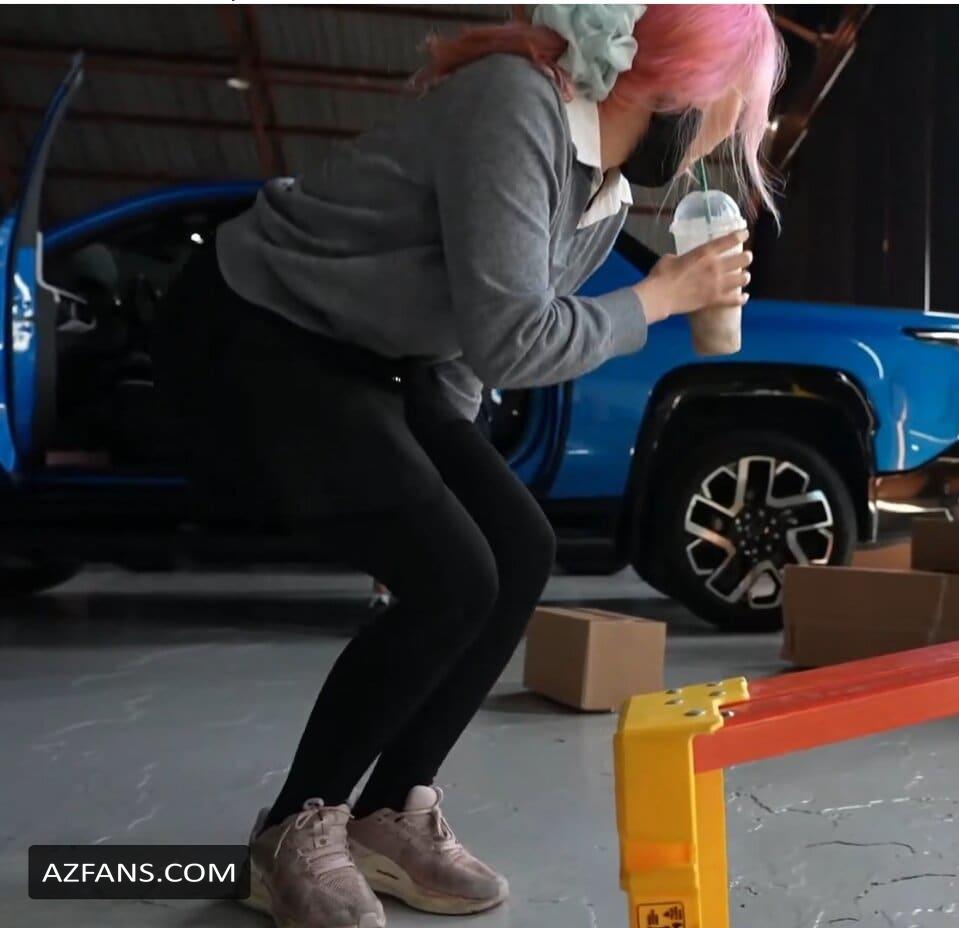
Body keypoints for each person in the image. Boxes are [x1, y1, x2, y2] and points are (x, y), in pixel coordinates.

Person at [152, 6, 784, 927]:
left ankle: (389, 814)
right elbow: (516, 336)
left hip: (379, 357)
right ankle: (290, 831)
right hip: (262, 328)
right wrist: (659, 299)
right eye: (724, 114)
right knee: (451, 575)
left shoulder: (601, 194)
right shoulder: (515, 105)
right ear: (669, 88)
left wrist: (441, 469)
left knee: (516, 549)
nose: (716, 144)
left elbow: (472, 341)